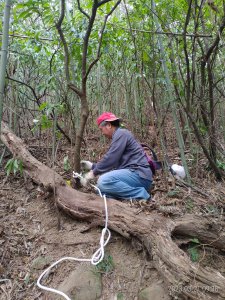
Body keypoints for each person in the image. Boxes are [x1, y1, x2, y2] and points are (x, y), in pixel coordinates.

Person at [81, 112, 152, 200]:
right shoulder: (120, 135)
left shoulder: (121, 134)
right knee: (100, 190)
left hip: (139, 175)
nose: (102, 133)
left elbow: (111, 158)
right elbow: (113, 164)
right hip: (134, 175)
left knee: (103, 181)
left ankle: (141, 194)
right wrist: (93, 166)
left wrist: (93, 172)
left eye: (101, 129)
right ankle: (127, 197)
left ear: (109, 125)